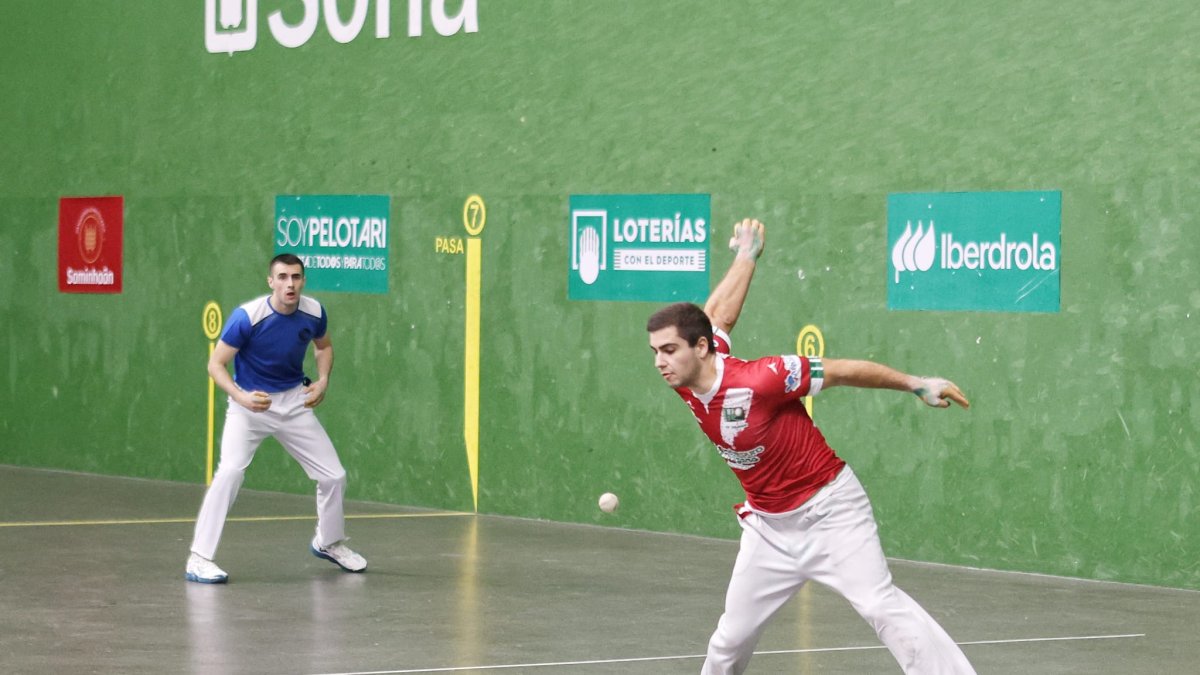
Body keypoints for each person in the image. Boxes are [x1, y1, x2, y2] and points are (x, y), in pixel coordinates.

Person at [647, 220, 976, 674]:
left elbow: (840, 370)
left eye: (668, 350)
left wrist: (916, 384)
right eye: (655, 352)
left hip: (830, 512)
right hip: (768, 528)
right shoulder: (688, 374)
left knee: (881, 606)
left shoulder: (762, 378)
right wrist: (746, 255)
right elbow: (718, 314)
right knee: (729, 640)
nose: (660, 362)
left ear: (700, 349)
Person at [185, 253, 367, 584]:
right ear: (271, 281)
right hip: (250, 405)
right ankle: (199, 558)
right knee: (230, 472)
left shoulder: (313, 312)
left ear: (303, 281)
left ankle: (328, 542)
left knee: (334, 476)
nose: (290, 284)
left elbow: (323, 347)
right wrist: (240, 396)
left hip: (294, 402)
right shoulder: (248, 318)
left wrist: (323, 380)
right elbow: (216, 364)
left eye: (296, 277)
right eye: (282, 277)